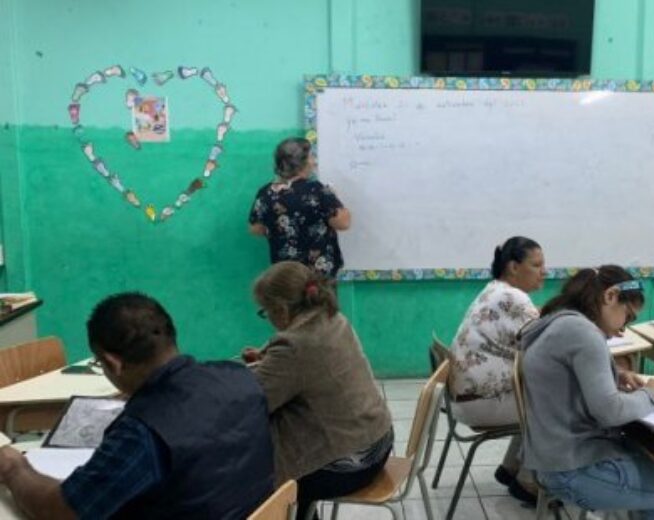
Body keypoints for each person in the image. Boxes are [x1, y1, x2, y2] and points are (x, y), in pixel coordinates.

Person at [0, 293, 275, 519]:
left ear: (112, 363)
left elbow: (62, 511)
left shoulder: (141, 431)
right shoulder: (239, 378)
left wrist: (14, 467)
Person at [521, 266, 654, 519]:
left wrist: (616, 375)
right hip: (577, 469)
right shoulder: (584, 333)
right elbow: (610, 412)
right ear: (610, 296)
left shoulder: (560, 321)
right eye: (628, 315)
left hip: (555, 461)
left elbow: (566, 378)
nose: (624, 328)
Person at [244, 261, 392, 520]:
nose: (267, 319)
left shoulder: (295, 344)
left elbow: (254, 402)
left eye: (265, 311)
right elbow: (308, 367)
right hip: (377, 442)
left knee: (250, 479)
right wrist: (269, 360)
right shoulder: (332, 317)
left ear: (281, 309)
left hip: (349, 463)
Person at [448, 236, 545, 502]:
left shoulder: (495, 289)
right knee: (555, 404)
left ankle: (511, 468)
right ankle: (528, 482)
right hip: (479, 403)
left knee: (535, 395)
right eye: (536, 265)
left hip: (463, 399)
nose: (544, 272)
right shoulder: (514, 297)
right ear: (513, 267)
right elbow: (548, 343)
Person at [249, 137, 351, 279]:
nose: (314, 161)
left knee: (287, 293)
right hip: (317, 277)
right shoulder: (316, 190)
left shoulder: (265, 193)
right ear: (301, 162)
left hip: (285, 274)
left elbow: (256, 229)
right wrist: (333, 198)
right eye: (311, 156)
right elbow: (343, 223)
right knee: (319, 294)